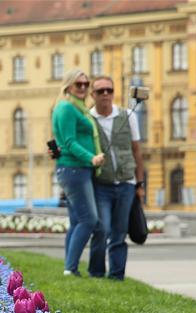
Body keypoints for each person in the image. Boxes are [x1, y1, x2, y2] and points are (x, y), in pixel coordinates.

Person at [89, 75, 145, 280]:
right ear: (92, 95)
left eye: (109, 90)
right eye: (101, 91)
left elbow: (137, 150)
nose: (105, 94)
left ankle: (116, 276)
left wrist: (139, 183)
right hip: (101, 185)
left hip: (126, 184)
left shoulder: (127, 116)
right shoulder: (88, 119)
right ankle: (96, 273)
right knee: (102, 229)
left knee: (119, 233)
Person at [51, 69, 105, 277]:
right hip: (75, 169)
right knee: (88, 220)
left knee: (76, 221)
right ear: (68, 86)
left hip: (76, 169)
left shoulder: (78, 108)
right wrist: (91, 158)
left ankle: (69, 266)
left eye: (85, 84)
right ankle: (70, 268)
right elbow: (68, 142)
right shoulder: (66, 108)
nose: (83, 88)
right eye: (78, 84)